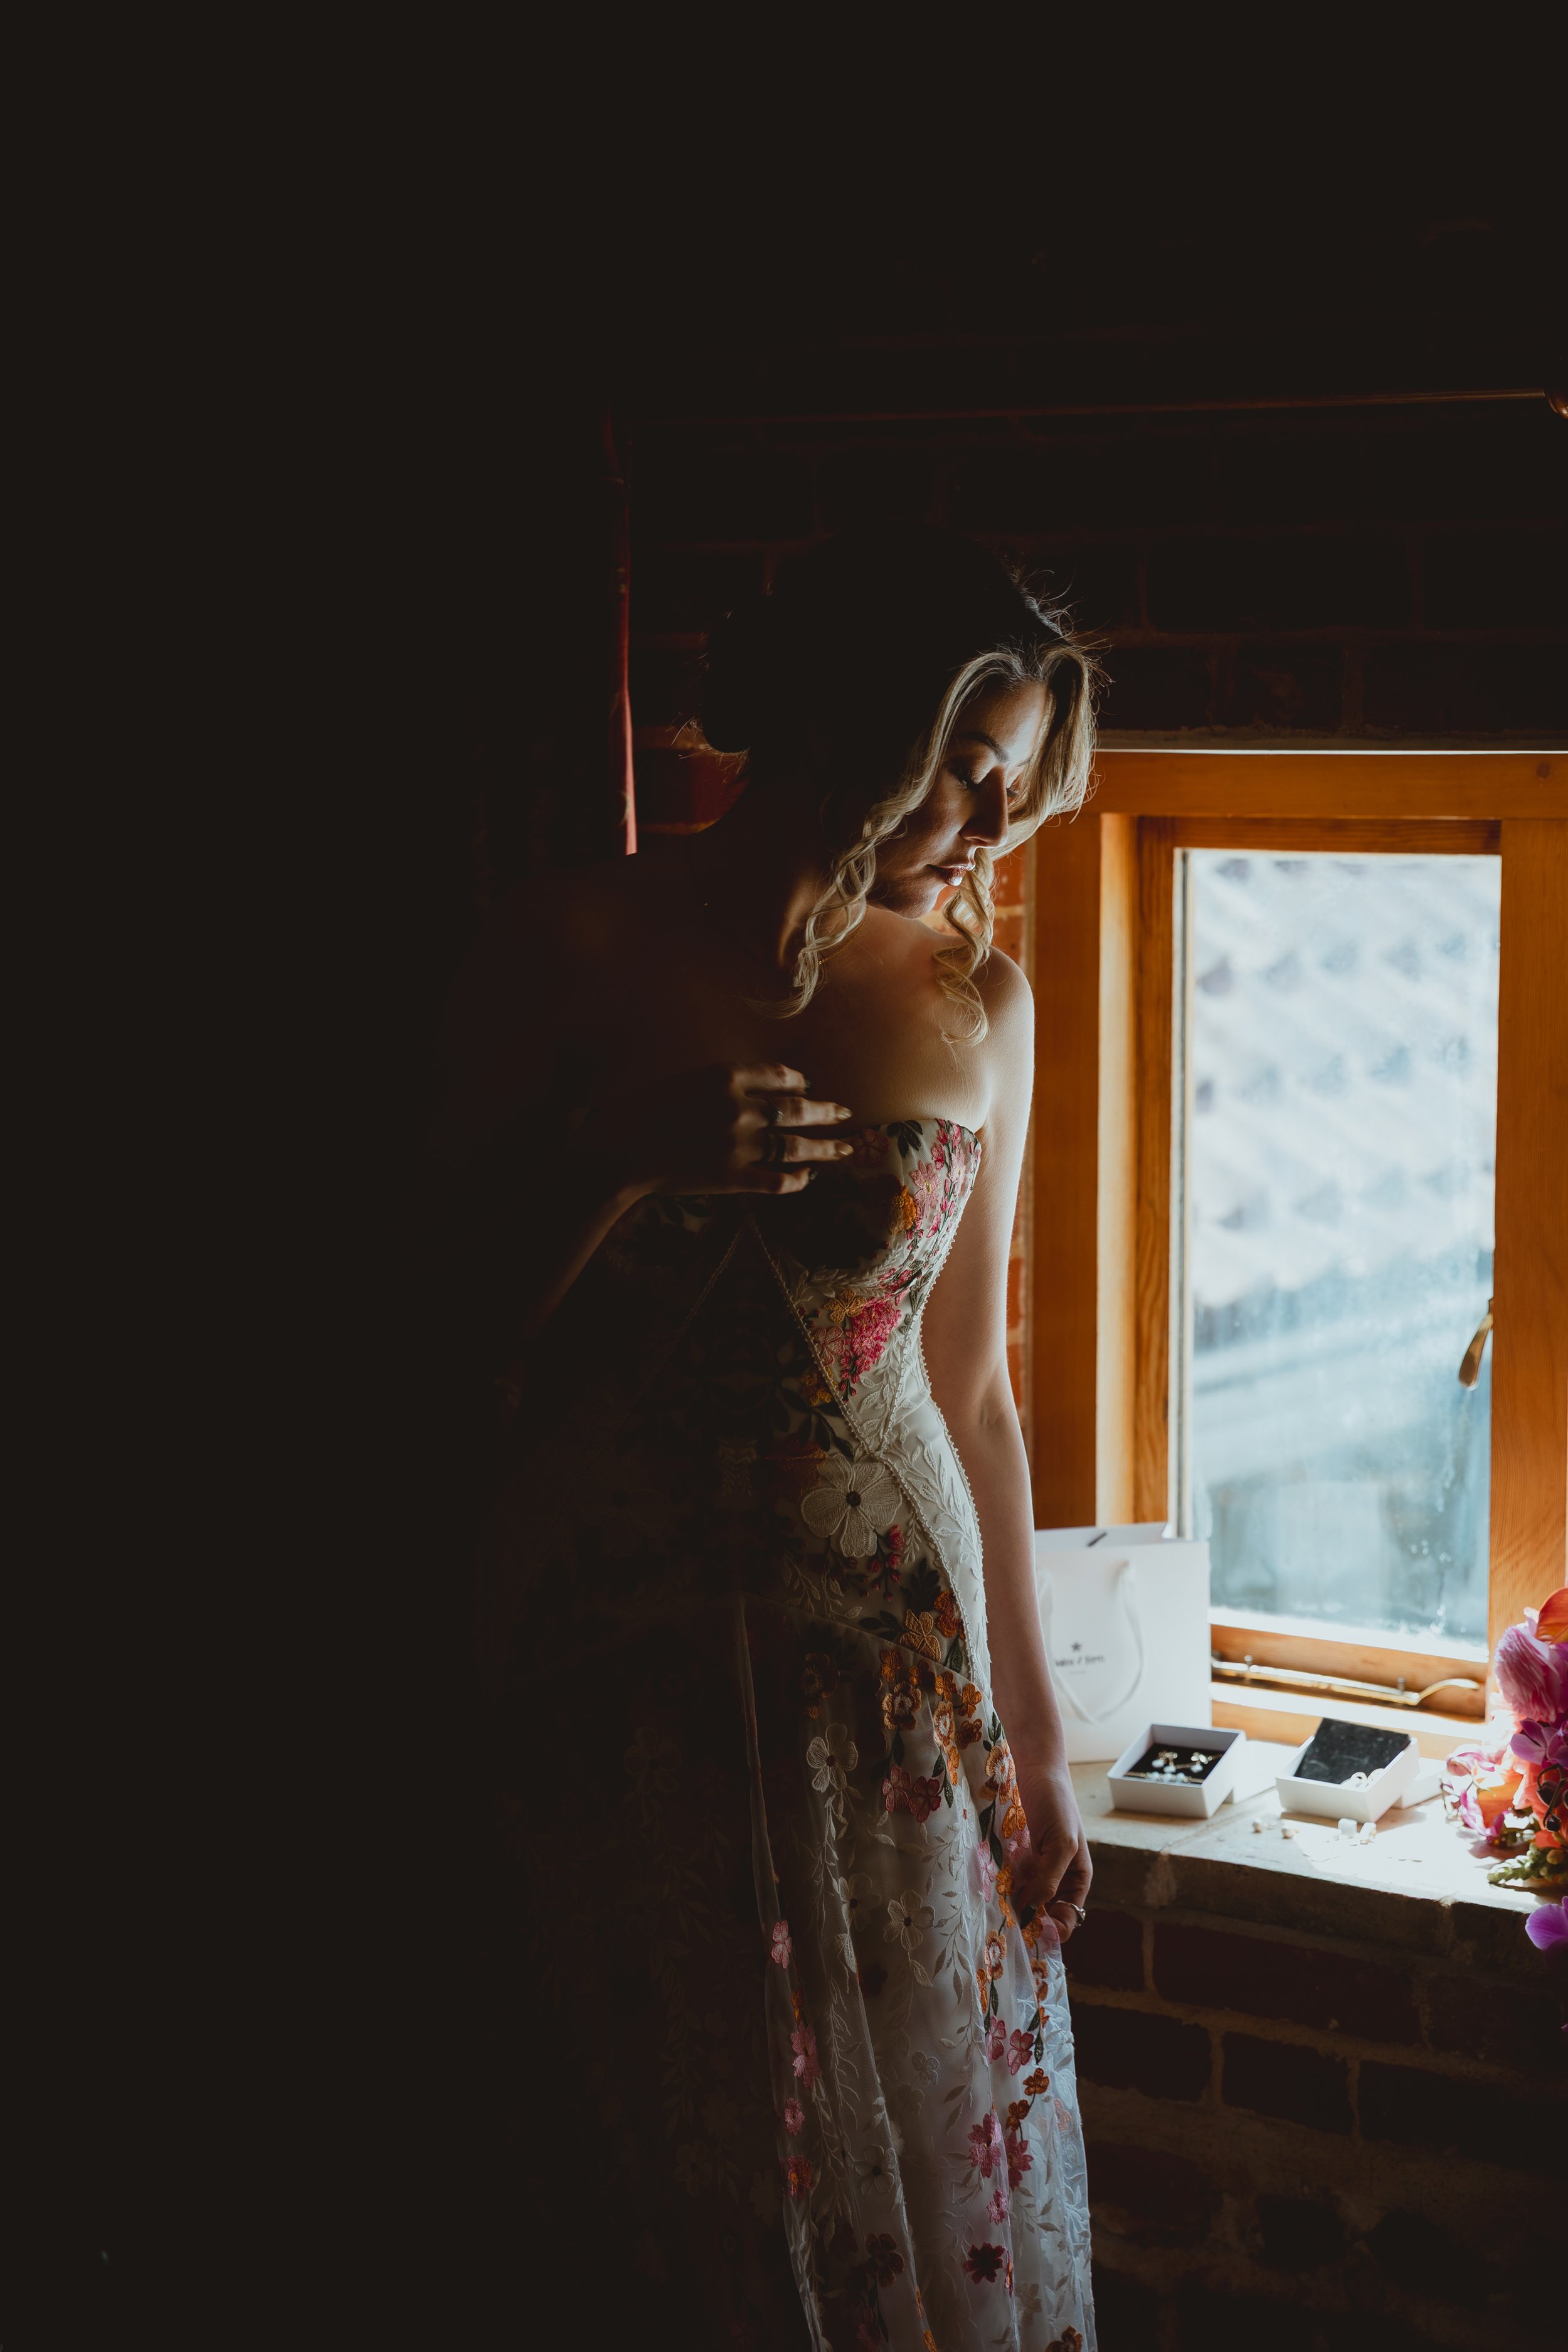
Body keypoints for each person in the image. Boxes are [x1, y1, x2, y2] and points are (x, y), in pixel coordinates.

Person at [435, 527, 1098, 2348]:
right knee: (639, 2151)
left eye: (1019, 794)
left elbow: (970, 1390)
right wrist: (612, 1156)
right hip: (600, 1647)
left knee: (892, 2145)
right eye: (972, 772)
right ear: (859, 719)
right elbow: (428, 1341)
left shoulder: (985, 1003)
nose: (987, 831)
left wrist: (1038, 1752)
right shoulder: (564, 939)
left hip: (878, 1662)